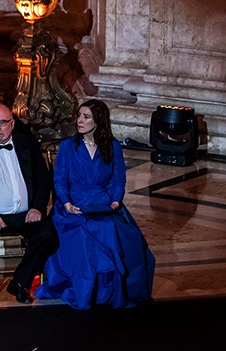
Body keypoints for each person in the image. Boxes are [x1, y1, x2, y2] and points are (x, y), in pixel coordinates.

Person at [36, 99, 157, 309]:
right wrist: (66, 204)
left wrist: (116, 201)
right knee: (86, 234)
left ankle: (114, 290)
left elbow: (118, 180)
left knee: (119, 232)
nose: (79, 121)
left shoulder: (113, 147)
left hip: (104, 204)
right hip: (72, 205)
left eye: (86, 117)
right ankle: (91, 292)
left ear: (98, 121)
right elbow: (60, 181)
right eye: (79, 116)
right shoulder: (67, 146)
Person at [0, 105, 57, 308]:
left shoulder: (27, 143)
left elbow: (43, 180)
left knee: (48, 235)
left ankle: (20, 282)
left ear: (12, 124)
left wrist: (37, 207)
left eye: (2, 123)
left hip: (26, 213)